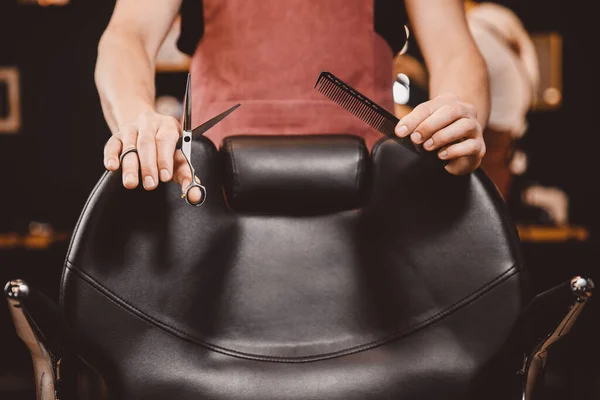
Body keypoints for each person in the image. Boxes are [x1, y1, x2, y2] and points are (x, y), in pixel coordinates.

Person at [96, 0, 490, 204]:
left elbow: (455, 49)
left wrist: (457, 111)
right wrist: (137, 117)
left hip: (368, 210)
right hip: (219, 203)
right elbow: (127, 36)